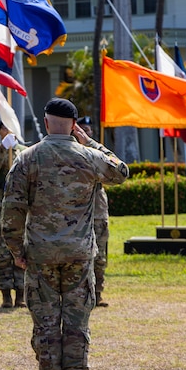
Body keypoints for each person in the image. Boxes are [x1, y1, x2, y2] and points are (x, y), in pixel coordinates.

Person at [1, 98, 128, 370]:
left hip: (40, 255)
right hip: (79, 254)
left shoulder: (27, 158)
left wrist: (16, 250)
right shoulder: (88, 156)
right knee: (76, 322)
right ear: (74, 126)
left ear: (45, 123)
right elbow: (120, 171)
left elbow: (12, 210)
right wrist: (92, 142)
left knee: (45, 324)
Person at [0, 121, 27, 308]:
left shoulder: (24, 151)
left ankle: (21, 294)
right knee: (1, 252)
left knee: (21, 249)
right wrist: (2, 149)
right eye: (7, 128)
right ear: (0, 130)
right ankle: (6, 294)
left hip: (19, 206)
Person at [78, 116, 111, 308]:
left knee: (100, 255)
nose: (86, 133)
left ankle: (98, 292)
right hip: (79, 214)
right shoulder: (73, 154)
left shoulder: (96, 154)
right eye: (82, 130)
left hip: (98, 211)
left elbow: (114, 168)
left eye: (88, 130)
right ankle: (82, 293)